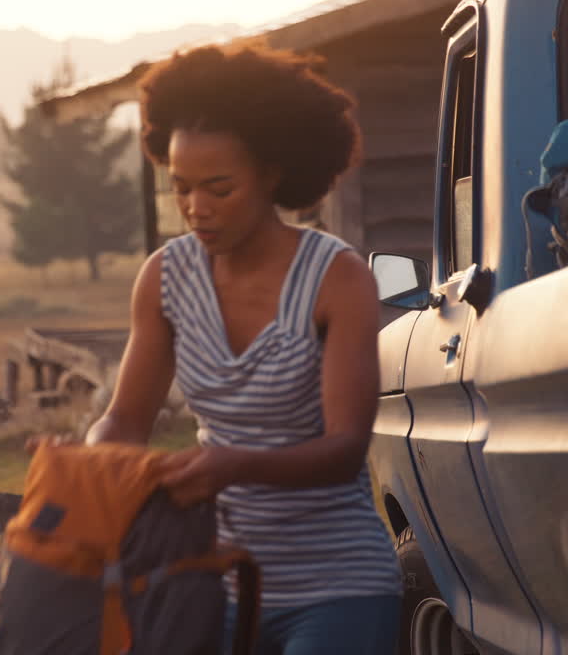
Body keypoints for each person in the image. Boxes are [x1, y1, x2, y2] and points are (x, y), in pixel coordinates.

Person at [35, 42, 402, 654]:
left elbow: (343, 450)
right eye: (180, 188)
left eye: (219, 188)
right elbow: (124, 421)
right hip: (214, 583)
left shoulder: (337, 279)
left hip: (338, 586)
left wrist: (234, 465)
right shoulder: (165, 279)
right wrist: (86, 463)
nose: (195, 209)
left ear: (272, 173)